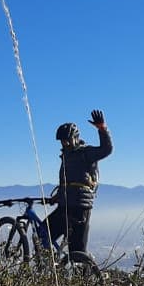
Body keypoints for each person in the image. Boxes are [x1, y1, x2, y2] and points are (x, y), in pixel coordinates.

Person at [46, 109, 113, 262]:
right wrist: (58, 196)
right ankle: (48, 269)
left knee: (77, 252)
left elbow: (107, 149)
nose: (65, 143)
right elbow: (68, 183)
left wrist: (102, 128)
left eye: (67, 140)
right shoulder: (65, 157)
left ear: (75, 138)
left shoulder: (86, 153)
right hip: (64, 206)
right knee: (42, 234)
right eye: (62, 141)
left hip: (80, 208)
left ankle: (84, 283)